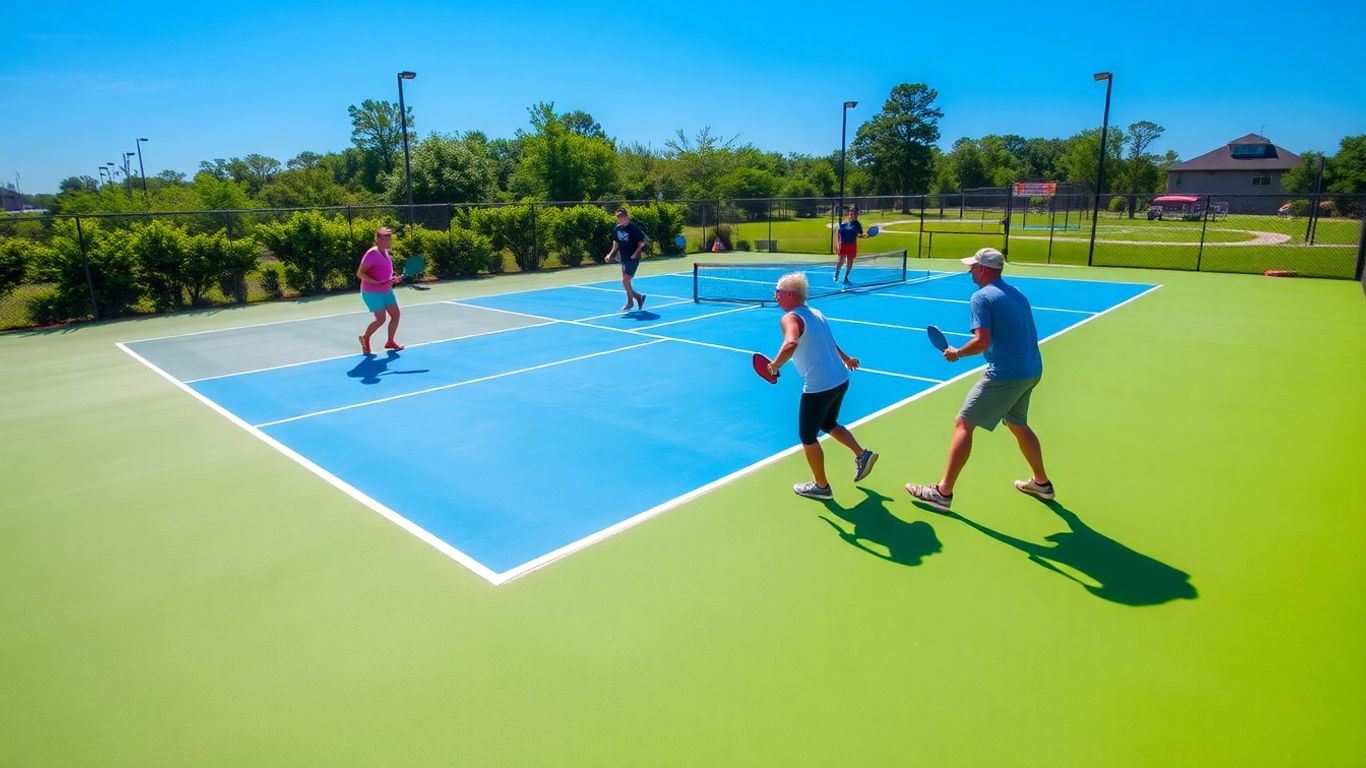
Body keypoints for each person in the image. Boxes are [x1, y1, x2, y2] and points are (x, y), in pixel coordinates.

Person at [905, 247, 1052, 512]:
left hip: (1007, 372)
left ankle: (942, 492)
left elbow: (982, 341)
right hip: (1032, 368)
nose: (969, 270)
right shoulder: (1016, 293)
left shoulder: (981, 298)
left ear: (983, 269)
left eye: (972, 266)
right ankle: (1041, 483)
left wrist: (957, 353)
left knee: (964, 423)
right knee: (1017, 423)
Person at [766, 271, 878, 499]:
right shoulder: (815, 312)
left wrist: (775, 365)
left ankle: (821, 486)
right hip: (840, 379)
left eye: (777, 292)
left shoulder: (790, 318)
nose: (775, 296)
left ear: (789, 294)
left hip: (820, 385)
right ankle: (862, 454)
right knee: (828, 423)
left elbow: (790, 344)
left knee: (807, 436)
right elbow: (828, 341)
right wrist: (846, 359)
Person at [356, 226, 404, 354]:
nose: (389, 242)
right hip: (371, 292)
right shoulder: (372, 254)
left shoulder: (386, 253)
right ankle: (365, 338)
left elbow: (385, 274)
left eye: (389, 239)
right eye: (386, 239)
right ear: (379, 240)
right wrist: (377, 283)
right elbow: (360, 274)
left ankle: (390, 341)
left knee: (396, 315)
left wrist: (393, 279)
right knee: (381, 319)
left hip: (386, 291)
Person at [604, 208, 647, 311]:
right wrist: (610, 254)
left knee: (625, 281)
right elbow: (616, 243)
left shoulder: (633, 228)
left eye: (623, 216)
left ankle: (630, 302)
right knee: (625, 284)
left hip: (633, 259)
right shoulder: (617, 228)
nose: (621, 219)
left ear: (627, 217)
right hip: (624, 258)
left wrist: (636, 253)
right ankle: (638, 297)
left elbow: (642, 242)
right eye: (619, 217)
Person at [833, 205, 866, 285]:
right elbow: (838, 233)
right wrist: (837, 244)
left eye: (854, 212)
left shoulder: (857, 224)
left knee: (850, 263)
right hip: (843, 244)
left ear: (857, 214)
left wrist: (865, 235)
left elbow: (859, 235)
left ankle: (845, 277)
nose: (852, 213)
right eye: (851, 212)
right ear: (849, 213)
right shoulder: (843, 223)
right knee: (840, 261)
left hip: (851, 245)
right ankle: (836, 274)